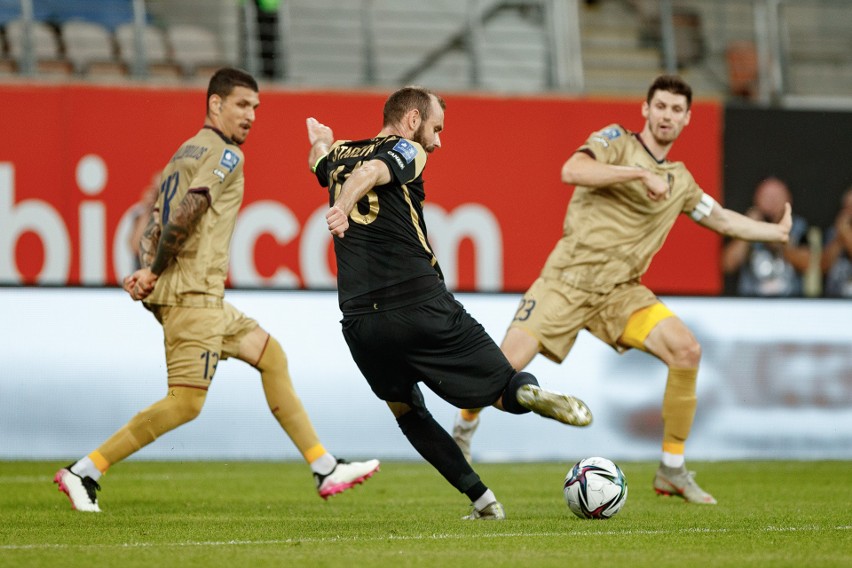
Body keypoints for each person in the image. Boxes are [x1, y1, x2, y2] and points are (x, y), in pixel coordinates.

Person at [451, 75, 793, 505]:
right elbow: (571, 169)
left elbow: (721, 219)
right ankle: (463, 431)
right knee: (496, 372)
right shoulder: (615, 141)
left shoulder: (681, 181)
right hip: (565, 282)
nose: (667, 115)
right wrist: (637, 174)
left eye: (676, 110)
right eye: (661, 107)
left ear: (687, 118)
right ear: (646, 110)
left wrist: (774, 233)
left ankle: (672, 469)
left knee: (686, 350)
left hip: (620, 293)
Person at [54, 67, 380, 513]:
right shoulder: (225, 155)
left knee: (271, 356)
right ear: (215, 104)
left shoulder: (184, 151)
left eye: (255, 108)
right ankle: (84, 471)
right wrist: (154, 270)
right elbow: (187, 213)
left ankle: (324, 466)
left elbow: (154, 217)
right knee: (185, 403)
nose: (250, 116)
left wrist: (147, 267)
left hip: (198, 296)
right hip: (194, 294)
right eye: (242, 105)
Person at [306, 86, 593, 520]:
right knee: (500, 387)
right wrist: (343, 206)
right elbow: (372, 174)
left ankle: (482, 500)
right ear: (412, 121)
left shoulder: (341, 153)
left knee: (407, 413)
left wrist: (320, 142)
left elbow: (323, 166)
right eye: (435, 128)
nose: (437, 142)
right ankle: (529, 393)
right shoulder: (406, 149)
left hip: (362, 322)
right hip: (419, 302)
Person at [720, 176, 810, 297]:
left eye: (777, 197)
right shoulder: (744, 225)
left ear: (788, 199)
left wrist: (776, 236)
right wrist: (747, 228)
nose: (772, 202)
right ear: (756, 199)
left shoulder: (799, 227)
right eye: (767, 197)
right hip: (751, 303)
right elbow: (728, 265)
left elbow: (807, 264)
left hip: (790, 303)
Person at [821, 186, 852, 297]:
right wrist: (839, 238)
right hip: (835, 301)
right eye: (848, 208)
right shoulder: (834, 232)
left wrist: (845, 233)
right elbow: (823, 267)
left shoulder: (843, 231)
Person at [127, 172, 160, 270]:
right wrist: (147, 210)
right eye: (156, 190)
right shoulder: (141, 215)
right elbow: (135, 247)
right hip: (143, 274)